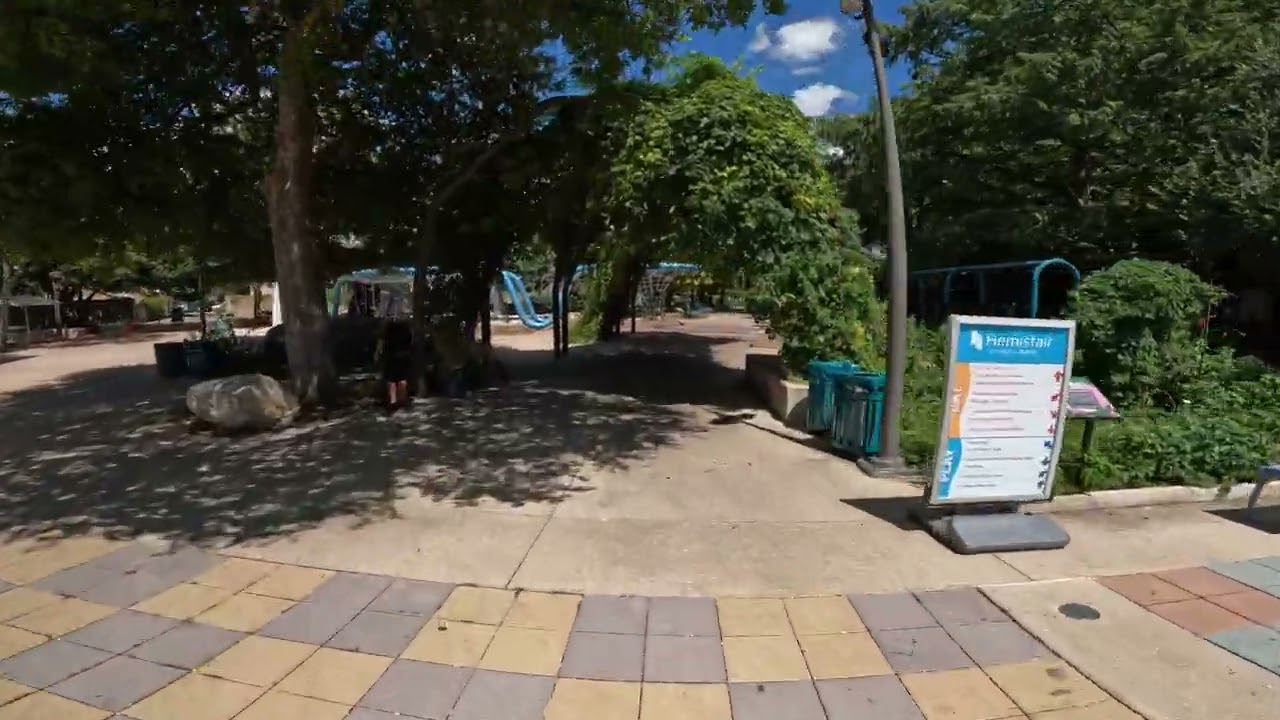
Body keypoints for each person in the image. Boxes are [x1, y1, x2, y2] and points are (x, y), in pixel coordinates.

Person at [376, 319, 413, 412]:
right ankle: (402, 401)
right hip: (403, 355)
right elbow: (411, 341)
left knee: (392, 380)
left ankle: (393, 402)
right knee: (402, 378)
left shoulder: (387, 328)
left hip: (391, 356)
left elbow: (381, 343)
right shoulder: (405, 327)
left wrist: (378, 354)